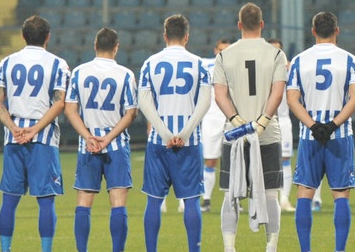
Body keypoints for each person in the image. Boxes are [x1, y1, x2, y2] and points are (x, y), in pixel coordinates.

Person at [285, 11, 355, 252]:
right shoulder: (350, 60)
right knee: (340, 194)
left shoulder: (299, 60)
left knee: (305, 193)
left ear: (313, 31)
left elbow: (292, 99)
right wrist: (332, 125)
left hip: (310, 138)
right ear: (337, 31)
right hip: (339, 137)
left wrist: (313, 126)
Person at [212, 3, 288, 252]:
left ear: (239, 25)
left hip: (234, 136)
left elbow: (220, 95)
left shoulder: (224, 55)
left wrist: (238, 123)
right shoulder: (276, 54)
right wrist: (261, 122)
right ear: (262, 25)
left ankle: (230, 248)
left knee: (231, 195)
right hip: (267, 134)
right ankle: (271, 247)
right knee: (270, 195)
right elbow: (277, 93)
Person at [0, 16, 70, 252]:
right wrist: (35, 129)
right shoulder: (58, 64)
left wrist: (14, 128)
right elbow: (59, 103)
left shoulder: (6, 63)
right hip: (43, 138)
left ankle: (5, 250)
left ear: (23, 36)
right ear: (48, 37)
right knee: (46, 201)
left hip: (14, 137)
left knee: (9, 200)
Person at [137, 14, 212, 252]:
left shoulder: (150, 62)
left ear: (164, 35)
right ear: (187, 37)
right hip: (190, 142)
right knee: (191, 201)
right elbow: (205, 102)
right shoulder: (199, 63)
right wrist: (185, 133)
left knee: (154, 200)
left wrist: (165, 134)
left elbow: (144, 102)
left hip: (159, 142)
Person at [66, 28, 139, 252]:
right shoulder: (125, 74)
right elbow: (131, 113)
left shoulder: (79, 72)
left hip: (88, 145)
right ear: (116, 48)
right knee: (118, 203)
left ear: (94, 46)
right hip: (115, 143)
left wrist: (88, 136)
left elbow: (70, 109)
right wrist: (107, 138)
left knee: (84, 203)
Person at [200, 38, 232, 212]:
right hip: (211, 118)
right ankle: (206, 199)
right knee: (210, 160)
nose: (223, 54)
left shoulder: (237, 67)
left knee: (234, 162)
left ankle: (233, 199)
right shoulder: (206, 65)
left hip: (231, 119)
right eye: (220, 50)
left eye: (226, 50)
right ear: (215, 50)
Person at [267, 39, 295, 211]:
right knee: (262, 161)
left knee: (284, 160)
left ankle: (284, 199)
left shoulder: (289, 71)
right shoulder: (259, 69)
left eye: (279, 50)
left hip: (283, 121)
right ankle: (267, 201)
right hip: (263, 121)